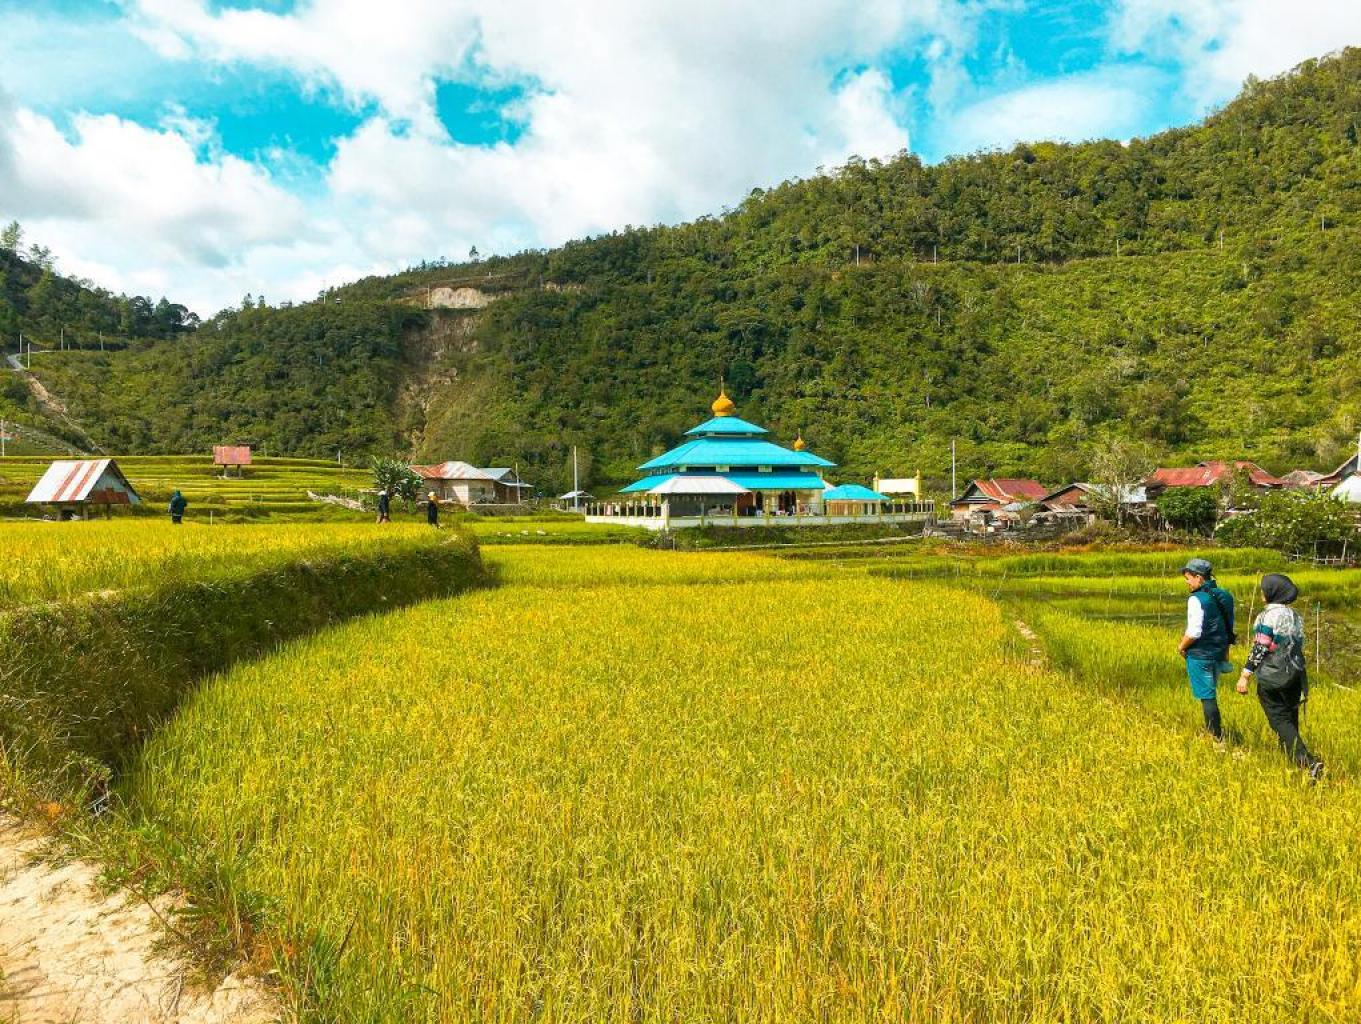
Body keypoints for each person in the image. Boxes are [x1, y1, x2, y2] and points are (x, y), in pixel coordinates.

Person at [1236, 573, 1325, 781]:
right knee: (1290, 717)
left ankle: (1308, 762)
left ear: (1272, 592)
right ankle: (1294, 762)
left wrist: (1245, 675)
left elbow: (1260, 647)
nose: (1262, 592)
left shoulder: (1267, 616)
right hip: (1294, 674)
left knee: (1278, 718)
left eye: (1264, 589)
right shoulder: (1295, 616)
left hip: (1272, 675)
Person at [1177, 557, 1235, 744]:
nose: (1187, 583)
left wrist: (1181, 646)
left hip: (1200, 655)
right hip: (1219, 653)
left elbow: (1194, 631)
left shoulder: (1196, 599)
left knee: (1207, 696)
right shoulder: (1226, 596)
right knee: (1210, 693)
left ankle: (1216, 737)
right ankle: (1213, 733)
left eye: (1188, 578)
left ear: (1199, 577)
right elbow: (1228, 627)